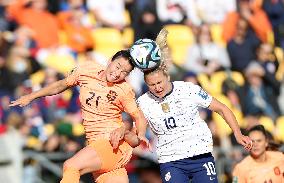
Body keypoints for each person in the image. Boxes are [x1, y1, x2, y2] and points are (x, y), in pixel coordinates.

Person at [132, 29, 253, 183]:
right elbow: (140, 124)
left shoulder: (188, 89)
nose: (157, 87)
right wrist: (139, 134)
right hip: (171, 160)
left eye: (159, 82)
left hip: (200, 155)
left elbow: (222, 108)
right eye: (152, 85)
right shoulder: (143, 101)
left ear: (167, 77)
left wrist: (237, 133)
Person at [9, 50, 149, 183]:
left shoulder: (124, 90)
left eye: (124, 72)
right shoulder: (87, 70)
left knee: (71, 166)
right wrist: (32, 96)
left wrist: (141, 134)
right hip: (97, 148)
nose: (118, 73)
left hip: (112, 145)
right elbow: (61, 85)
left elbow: (139, 116)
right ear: (110, 60)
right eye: (117, 66)